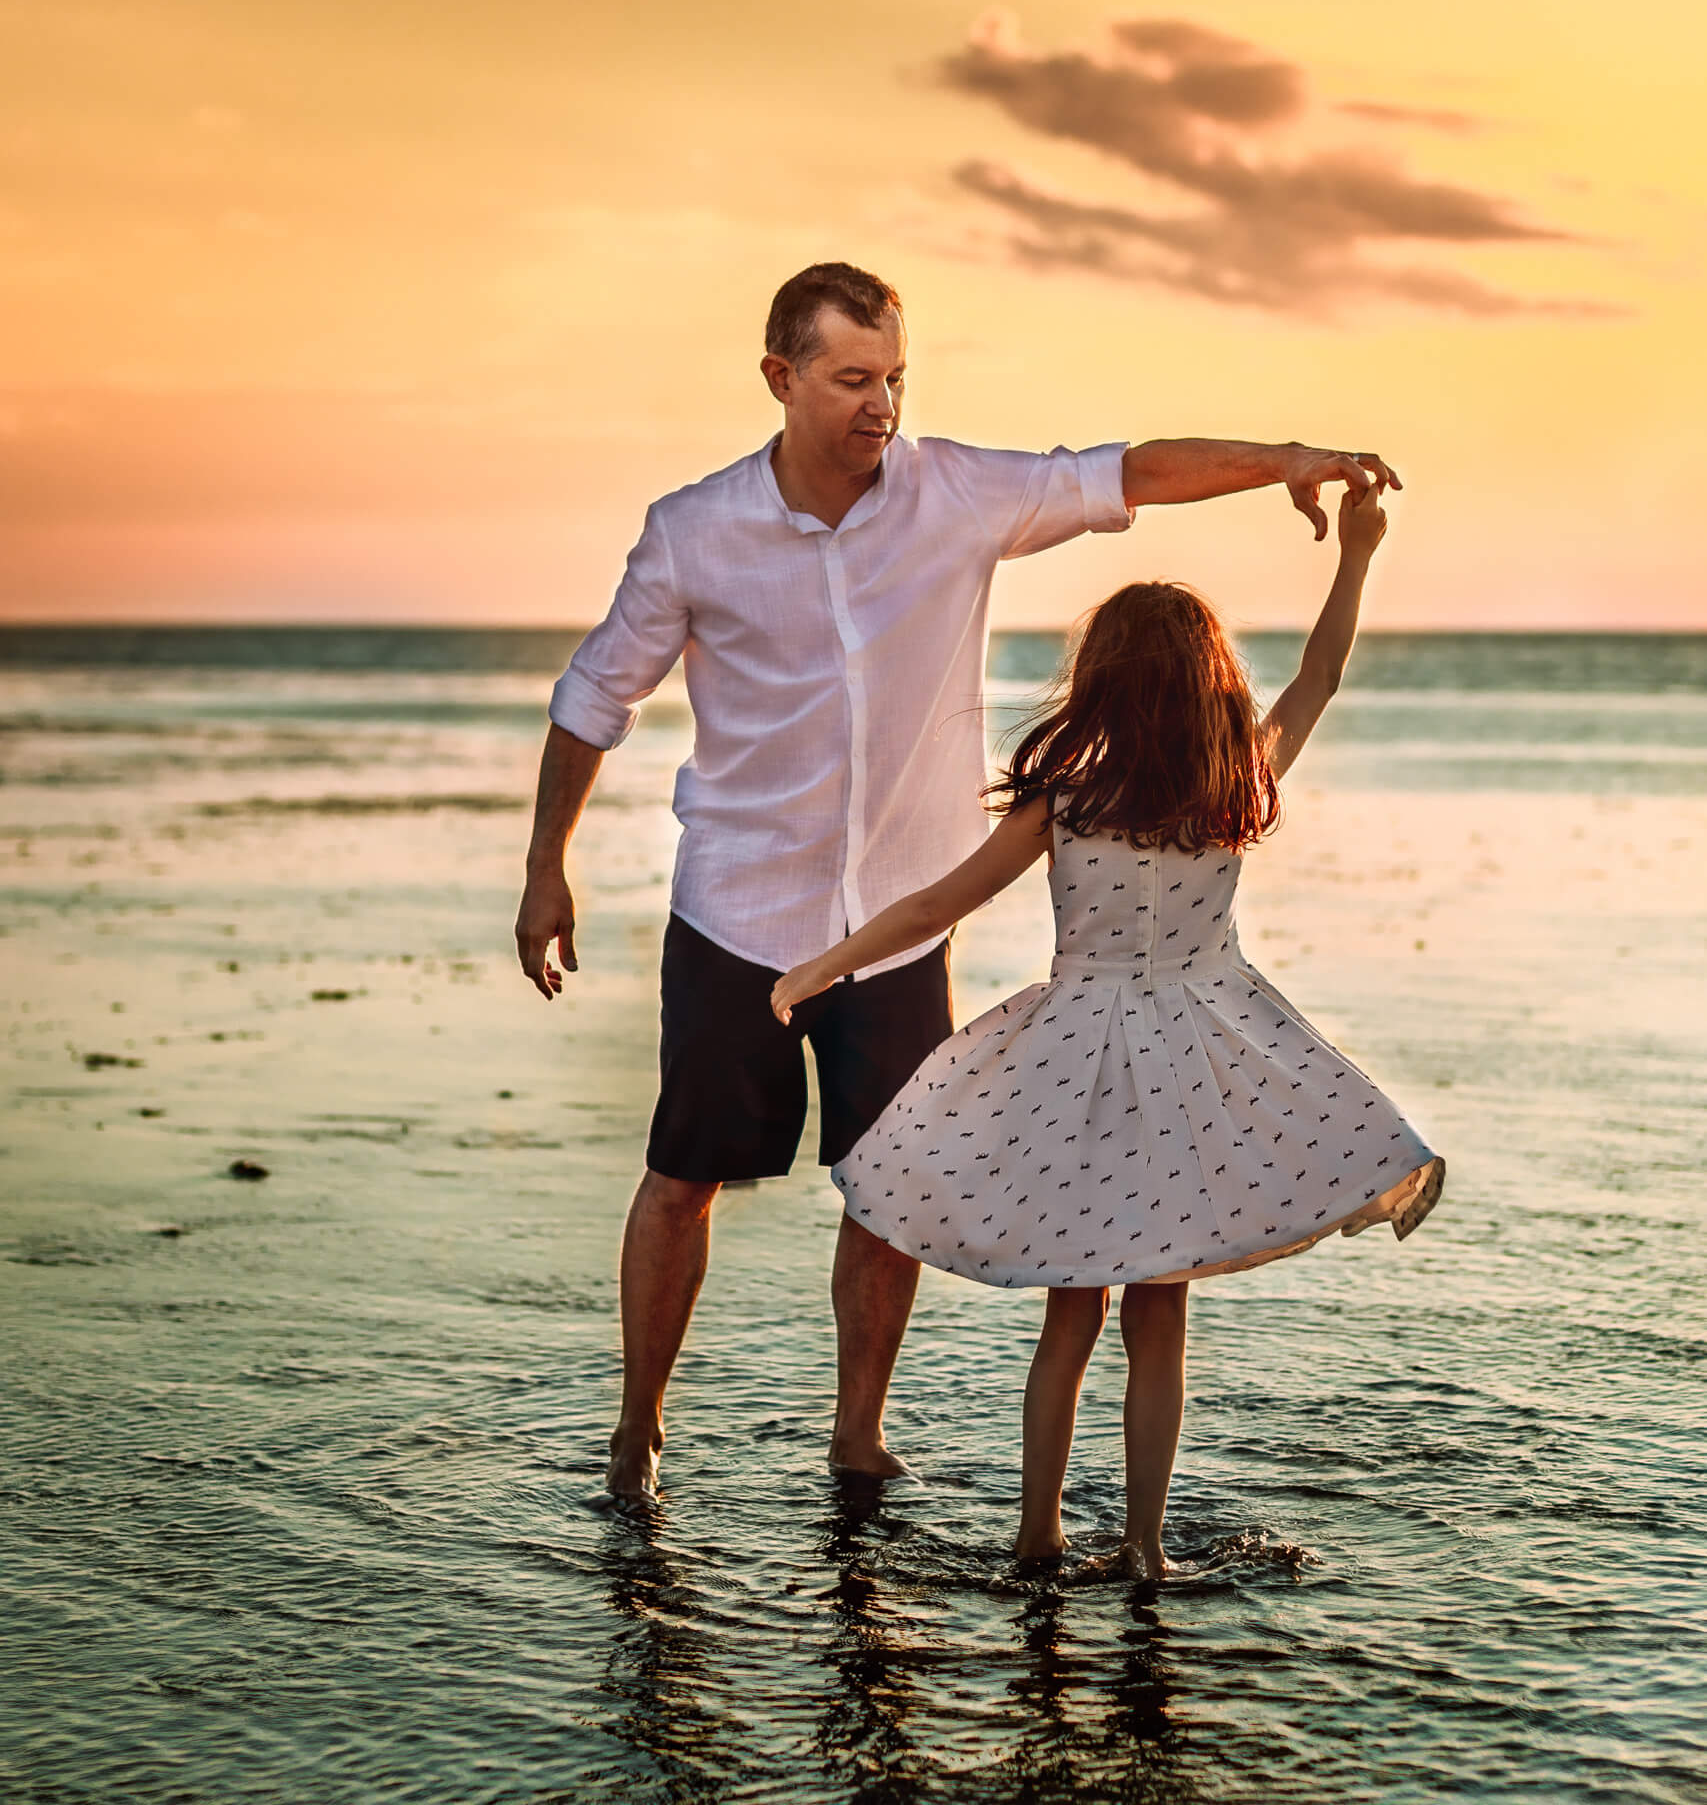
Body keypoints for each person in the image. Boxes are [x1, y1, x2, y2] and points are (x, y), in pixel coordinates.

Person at [514, 259, 1402, 1502]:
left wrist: (1287, 457)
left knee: (887, 1185)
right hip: (737, 907)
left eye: (895, 378)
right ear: (780, 378)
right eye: (851, 379)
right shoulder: (693, 530)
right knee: (683, 1173)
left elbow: (1128, 471)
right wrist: (547, 863)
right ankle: (640, 1426)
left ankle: (858, 1432)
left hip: (900, 921)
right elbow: (593, 695)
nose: (881, 405)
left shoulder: (957, 493)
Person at [770, 483, 1443, 1578]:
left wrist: (826, 963)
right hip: (1198, 1056)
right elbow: (1321, 673)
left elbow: (938, 904)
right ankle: (1140, 1548)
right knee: (1160, 1319)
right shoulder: (1238, 781)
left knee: (1070, 1319)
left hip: (1075, 1059)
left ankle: (1038, 1535)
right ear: (1209, 684)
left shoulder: (1067, 798)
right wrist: (1359, 553)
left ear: (1105, 684)